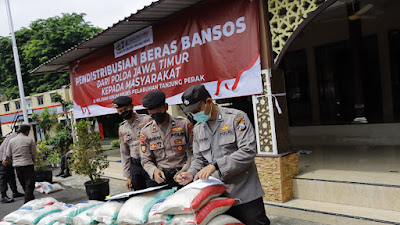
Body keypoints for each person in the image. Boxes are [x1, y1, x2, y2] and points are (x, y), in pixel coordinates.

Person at [175, 84, 270, 225]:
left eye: (197, 109)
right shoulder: (199, 128)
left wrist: (216, 165)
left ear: (208, 101)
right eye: (192, 112)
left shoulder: (236, 118)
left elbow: (248, 151)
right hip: (216, 197)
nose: (195, 114)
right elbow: (198, 158)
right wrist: (191, 173)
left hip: (244, 193)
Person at [140, 90, 193, 189]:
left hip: (184, 175)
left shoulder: (184, 124)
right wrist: (154, 171)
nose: (156, 116)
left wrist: (186, 169)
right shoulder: (146, 131)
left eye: (159, 112)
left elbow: (195, 152)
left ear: (166, 107)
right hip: (161, 177)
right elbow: (146, 160)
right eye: (152, 114)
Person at [112, 95, 157, 190]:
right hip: (135, 166)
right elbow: (124, 153)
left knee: (153, 190)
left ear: (132, 106)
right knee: (138, 193)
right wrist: (128, 177)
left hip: (150, 162)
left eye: (126, 109)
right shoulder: (122, 128)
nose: (124, 112)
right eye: (120, 111)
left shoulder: (146, 120)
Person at [4, 124, 37, 203]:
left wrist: (11, 160)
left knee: (23, 183)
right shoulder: (29, 140)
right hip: (27, 164)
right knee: (30, 183)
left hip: (17, 165)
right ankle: (27, 200)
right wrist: (34, 160)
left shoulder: (11, 141)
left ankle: (31, 198)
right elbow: (33, 153)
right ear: (27, 131)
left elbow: (8, 154)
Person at [0, 132, 24, 203]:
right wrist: (5, 159)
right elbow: (5, 149)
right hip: (2, 159)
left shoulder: (18, 139)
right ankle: (3, 196)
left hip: (8, 160)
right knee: (3, 177)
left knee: (11, 176)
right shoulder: (12, 138)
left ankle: (15, 192)